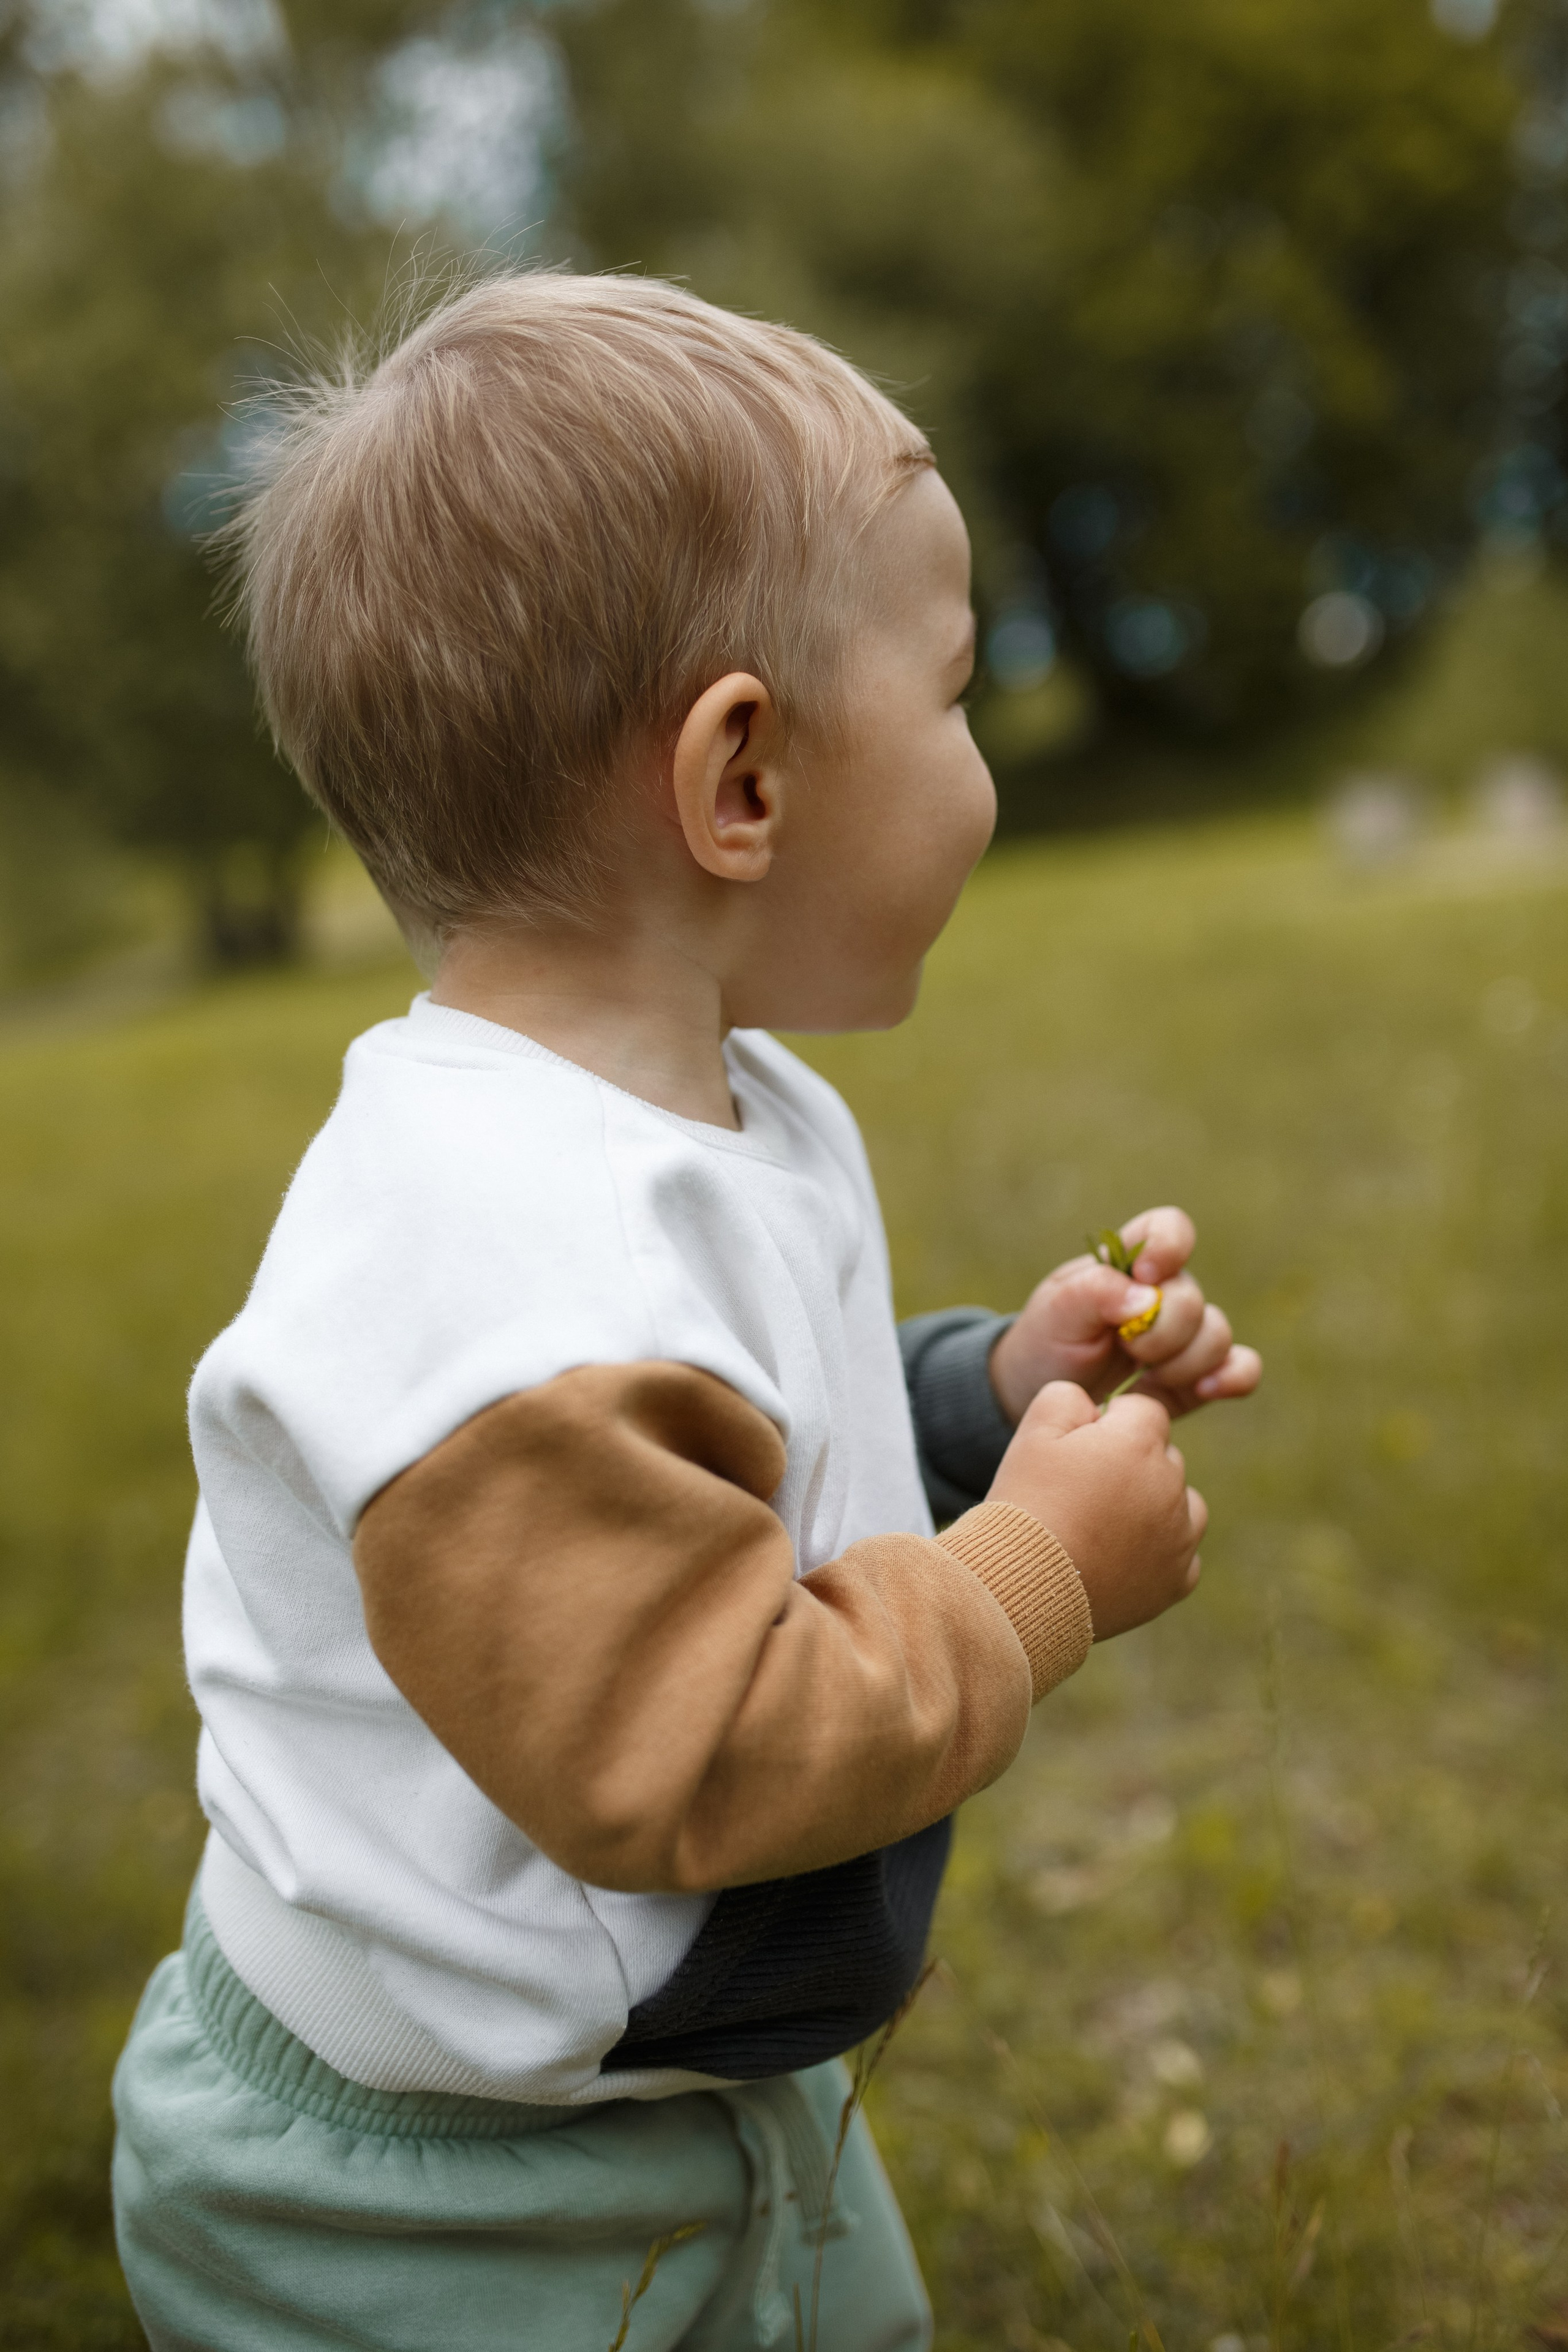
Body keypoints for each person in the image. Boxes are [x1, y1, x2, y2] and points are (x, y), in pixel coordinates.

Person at [111, 272, 1259, 2352]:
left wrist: (993, 1402)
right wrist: (1038, 1577)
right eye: (959, 691)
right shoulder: (493, 1270)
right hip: (438, 2205)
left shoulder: (723, 1110)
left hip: (681, 2069)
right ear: (742, 776)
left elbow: (752, 1465)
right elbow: (700, 1740)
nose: (985, 759)